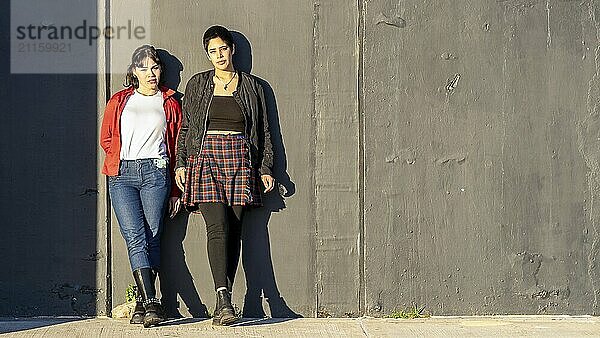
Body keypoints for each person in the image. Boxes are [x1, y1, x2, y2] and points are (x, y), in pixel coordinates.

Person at [175, 25, 275, 326]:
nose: (218, 55)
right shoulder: (197, 84)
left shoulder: (254, 87)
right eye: (212, 51)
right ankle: (224, 299)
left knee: (233, 230)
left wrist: (265, 167)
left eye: (222, 48)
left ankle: (224, 303)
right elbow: (186, 127)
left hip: (240, 158)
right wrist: (181, 162)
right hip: (205, 158)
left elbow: (265, 131)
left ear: (232, 49)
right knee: (216, 227)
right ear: (208, 55)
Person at [100, 45, 182, 328]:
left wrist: (175, 190)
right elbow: (106, 138)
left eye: (155, 67)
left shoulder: (170, 102)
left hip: (156, 173)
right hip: (122, 174)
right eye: (144, 68)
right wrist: (119, 159)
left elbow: (176, 146)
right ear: (134, 71)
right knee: (135, 236)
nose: (151, 73)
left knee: (153, 235)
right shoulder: (120, 101)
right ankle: (152, 302)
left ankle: (140, 303)